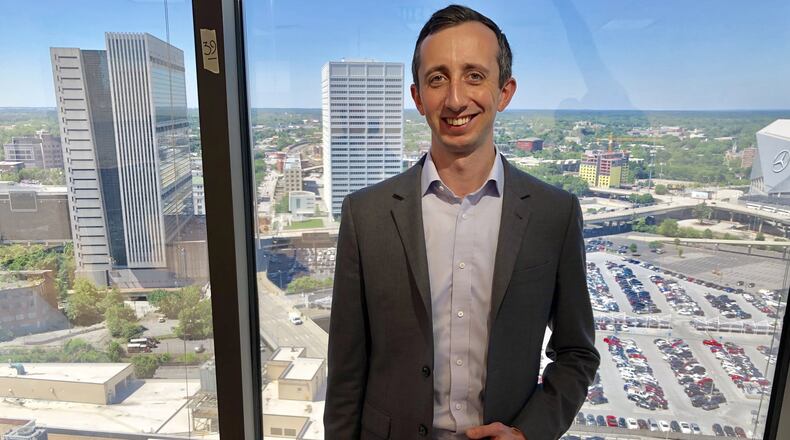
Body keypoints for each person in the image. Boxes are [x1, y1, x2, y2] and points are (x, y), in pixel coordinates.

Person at [324, 5, 600, 440]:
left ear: (504, 91)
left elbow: (576, 353)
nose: (455, 99)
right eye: (438, 79)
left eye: (474, 76)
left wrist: (528, 433)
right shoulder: (366, 214)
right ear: (417, 98)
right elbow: (346, 369)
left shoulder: (554, 214)